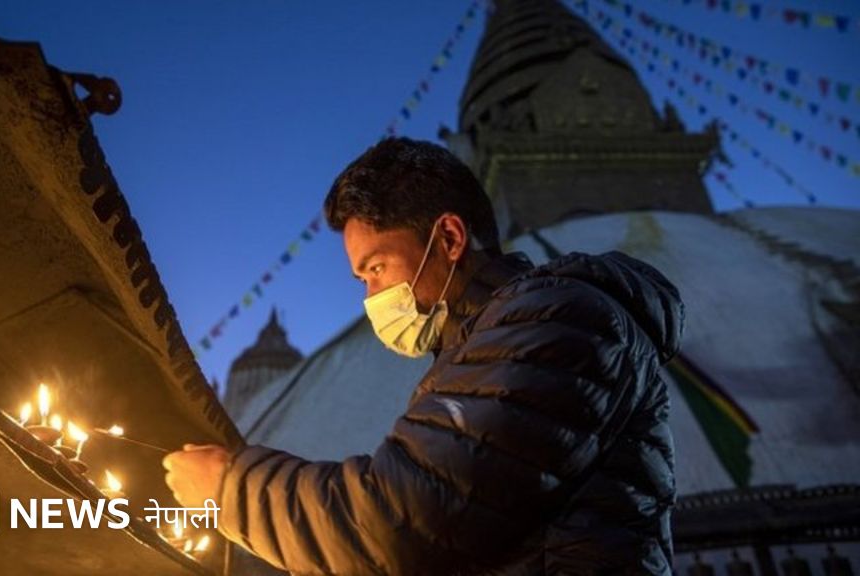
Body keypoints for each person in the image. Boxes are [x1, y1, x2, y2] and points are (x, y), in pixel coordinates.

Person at [163, 137, 684, 575]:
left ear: (450, 238)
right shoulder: (481, 345)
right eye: (362, 279)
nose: (371, 297)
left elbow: (403, 520)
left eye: (377, 269)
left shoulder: (553, 321)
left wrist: (232, 489)